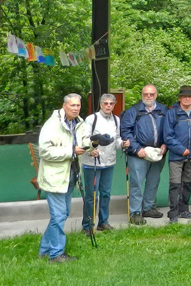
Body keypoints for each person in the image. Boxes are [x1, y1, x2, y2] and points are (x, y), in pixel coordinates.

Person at [37, 93, 85, 263]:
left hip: (70, 176)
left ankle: (44, 249)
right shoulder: (52, 125)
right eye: (72, 105)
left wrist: (92, 144)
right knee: (58, 216)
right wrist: (71, 151)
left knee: (62, 214)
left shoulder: (78, 122)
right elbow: (44, 151)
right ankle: (56, 254)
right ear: (64, 106)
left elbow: (82, 142)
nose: (76, 108)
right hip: (55, 178)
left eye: (78, 105)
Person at [78, 93, 128, 235]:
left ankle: (103, 222)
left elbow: (117, 139)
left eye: (111, 104)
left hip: (109, 162)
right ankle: (87, 225)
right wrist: (90, 150)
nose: (108, 106)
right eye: (105, 103)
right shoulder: (91, 119)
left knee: (105, 193)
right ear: (100, 105)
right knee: (91, 195)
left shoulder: (117, 120)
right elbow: (84, 139)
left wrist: (123, 144)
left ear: (114, 105)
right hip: (91, 163)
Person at [120, 84, 168, 225]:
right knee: (137, 184)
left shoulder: (163, 110)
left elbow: (168, 128)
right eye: (146, 94)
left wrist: (165, 144)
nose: (148, 96)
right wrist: (136, 149)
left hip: (158, 153)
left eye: (151, 94)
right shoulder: (133, 111)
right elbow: (125, 131)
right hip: (138, 154)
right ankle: (135, 212)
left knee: (153, 181)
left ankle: (149, 207)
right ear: (142, 95)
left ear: (156, 95)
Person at [163, 85, 191, 223]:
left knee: (187, 184)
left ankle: (184, 210)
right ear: (180, 98)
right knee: (175, 184)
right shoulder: (172, 113)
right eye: (184, 96)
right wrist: (181, 149)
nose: (187, 99)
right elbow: (167, 136)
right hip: (177, 156)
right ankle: (173, 213)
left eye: (190, 96)